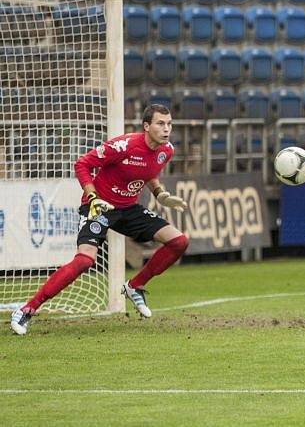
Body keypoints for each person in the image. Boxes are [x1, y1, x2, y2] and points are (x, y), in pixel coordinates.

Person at [11, 104, 189, 335]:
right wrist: (93, 197)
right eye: (161, 124)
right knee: (85, 260)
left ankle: (135, 286)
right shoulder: (123, 145)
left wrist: (159, 193)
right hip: (99, 207)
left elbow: (148, 170)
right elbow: (82, 164)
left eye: (169, 124)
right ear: (146, 126)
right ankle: (27, 309)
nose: (167, 129)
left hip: (128, 209)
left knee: (179, 241)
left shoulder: (167, 150)